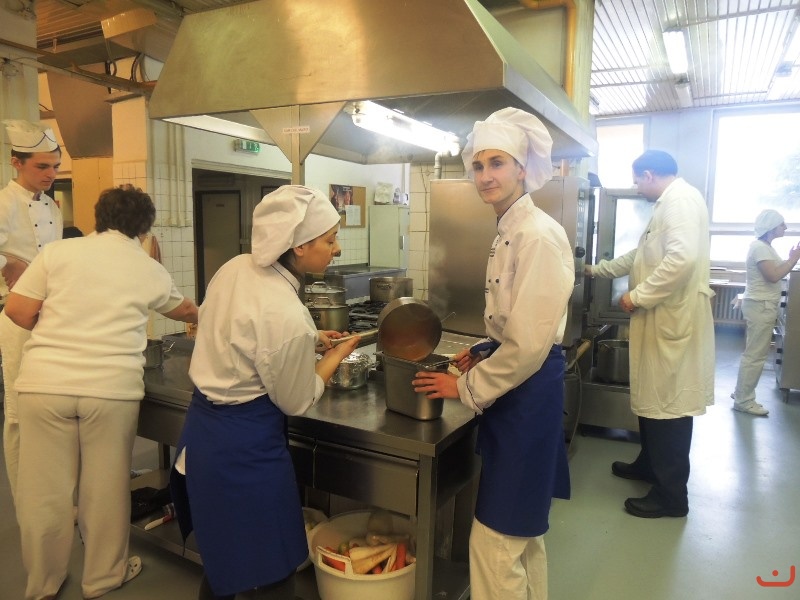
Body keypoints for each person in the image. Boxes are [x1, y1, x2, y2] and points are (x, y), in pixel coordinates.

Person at [4, 184, 199, 599]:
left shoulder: (57, 253)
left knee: (45, 494)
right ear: (144, 229)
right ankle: (103, 578)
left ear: (98, 218)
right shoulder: (146, 267)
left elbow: (17, 311)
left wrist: (60, 334)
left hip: (45, 384)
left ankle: (42, 584)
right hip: (109, 391)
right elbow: (184, 310)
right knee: (105, 489)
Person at [412, 107, 573, 600]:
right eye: (478, 165)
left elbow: (528, 346)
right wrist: (484, 349)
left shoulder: (536, 235)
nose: (485, 175)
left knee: (494, 544)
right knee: (523, 537)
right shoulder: (509, 228)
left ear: (522, 168)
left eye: (497, 163)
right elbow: (515, 322)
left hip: (528, 396)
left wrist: (462, 386)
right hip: (519, 390)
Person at [170, 185, 360, 600]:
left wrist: (310, 340)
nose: (338, 249)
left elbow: (245, 336)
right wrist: (337, 354)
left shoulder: (235, 267)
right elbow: (296, 399)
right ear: (299, 245)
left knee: (223, 561)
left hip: (203, 437)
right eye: (330, 240)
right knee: (271, 573)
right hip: (244, 452)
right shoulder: (286, 313)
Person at [585, 149, 715, 519]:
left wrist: (638, 295)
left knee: (669, 407)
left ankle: (672, 496)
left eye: (637, 181)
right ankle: (649, 465)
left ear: (650, 175)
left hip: (671, 321)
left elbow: (681, 260)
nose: (636, 188)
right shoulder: (667, 205)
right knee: (654, 399)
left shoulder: (680, 202)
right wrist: (596, 270)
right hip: (661, 320)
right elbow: (640, 256)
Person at [0, 119, 64, 505]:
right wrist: (6, 261)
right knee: (19, 410)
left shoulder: (52, 208)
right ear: (16, 162)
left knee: (47, 405)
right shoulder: (3, 203)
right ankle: (27, 498)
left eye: (55, 166)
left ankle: (51, 490)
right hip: (15, 315)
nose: (51, 174)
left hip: (49, 317)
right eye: (42, 166)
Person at [732, 209, 800, 416]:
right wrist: (793, 259)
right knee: (755, 355)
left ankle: (741, 392)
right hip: (760, 306)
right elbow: (773, 276)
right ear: (771, 227)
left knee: (752, 353)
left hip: (761, 305)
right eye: (782, 224)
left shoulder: (765, 247)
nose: (785, 227)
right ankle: (744, 400)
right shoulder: (760, 247)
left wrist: (790, 258)